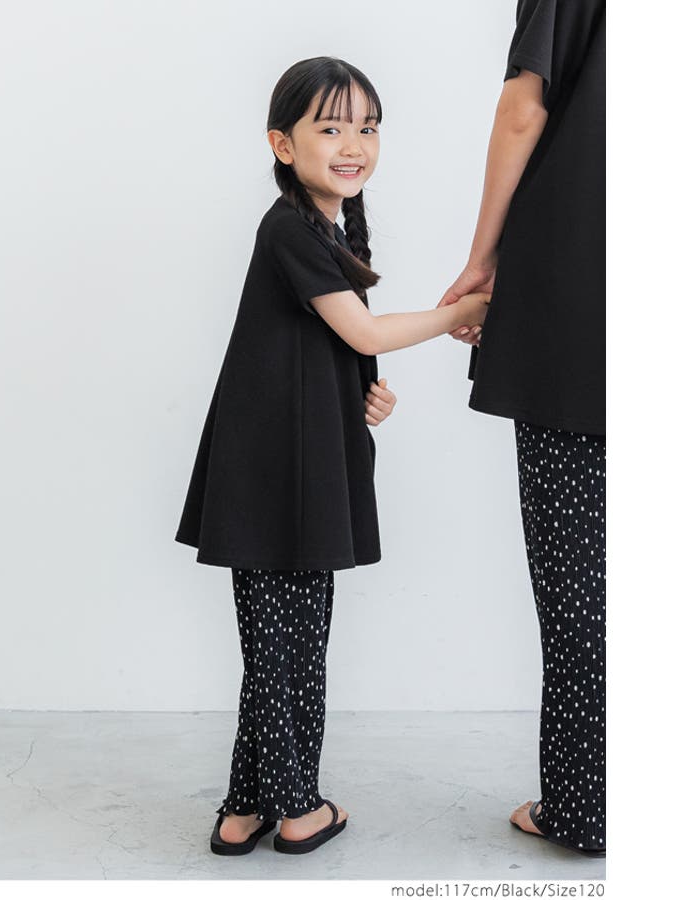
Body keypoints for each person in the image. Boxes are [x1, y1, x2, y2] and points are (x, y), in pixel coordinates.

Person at [175, 56, 489, 856]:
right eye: (331, 128)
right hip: (279, 471)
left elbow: (329, 343)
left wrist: (361, 393)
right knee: (289, 645)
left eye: (368, 128)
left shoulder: (325, 227)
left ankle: (243, 809)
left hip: (290, 457)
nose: (354, 145)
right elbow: (364, 328)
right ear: (282, 144)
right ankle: (298, 808)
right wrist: (467, 308)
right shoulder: (289, 227)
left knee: (279, 643)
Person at [438, 0, 605, 857]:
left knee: (581, 574)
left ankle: (589, 803)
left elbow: (522, 108)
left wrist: (481, 257)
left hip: (580, 288)